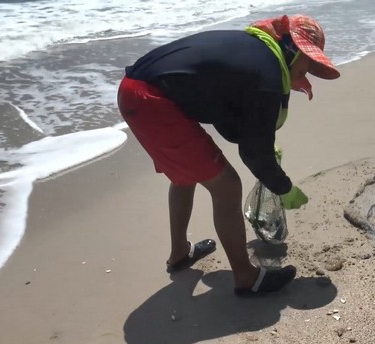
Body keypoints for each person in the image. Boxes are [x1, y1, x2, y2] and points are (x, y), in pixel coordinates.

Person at [117, 14, 340, 296]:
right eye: (310, 62)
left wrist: (258, 139)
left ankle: (179, 254)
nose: (307, 74)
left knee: (185, 176)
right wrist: (283, 187)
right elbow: (252, 154)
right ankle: (246, 277)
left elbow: (225, 118)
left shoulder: (254, 51)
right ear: (293, 50)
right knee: (228, 187)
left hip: (133, 90)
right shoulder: (267, 76)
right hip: (154, 103)